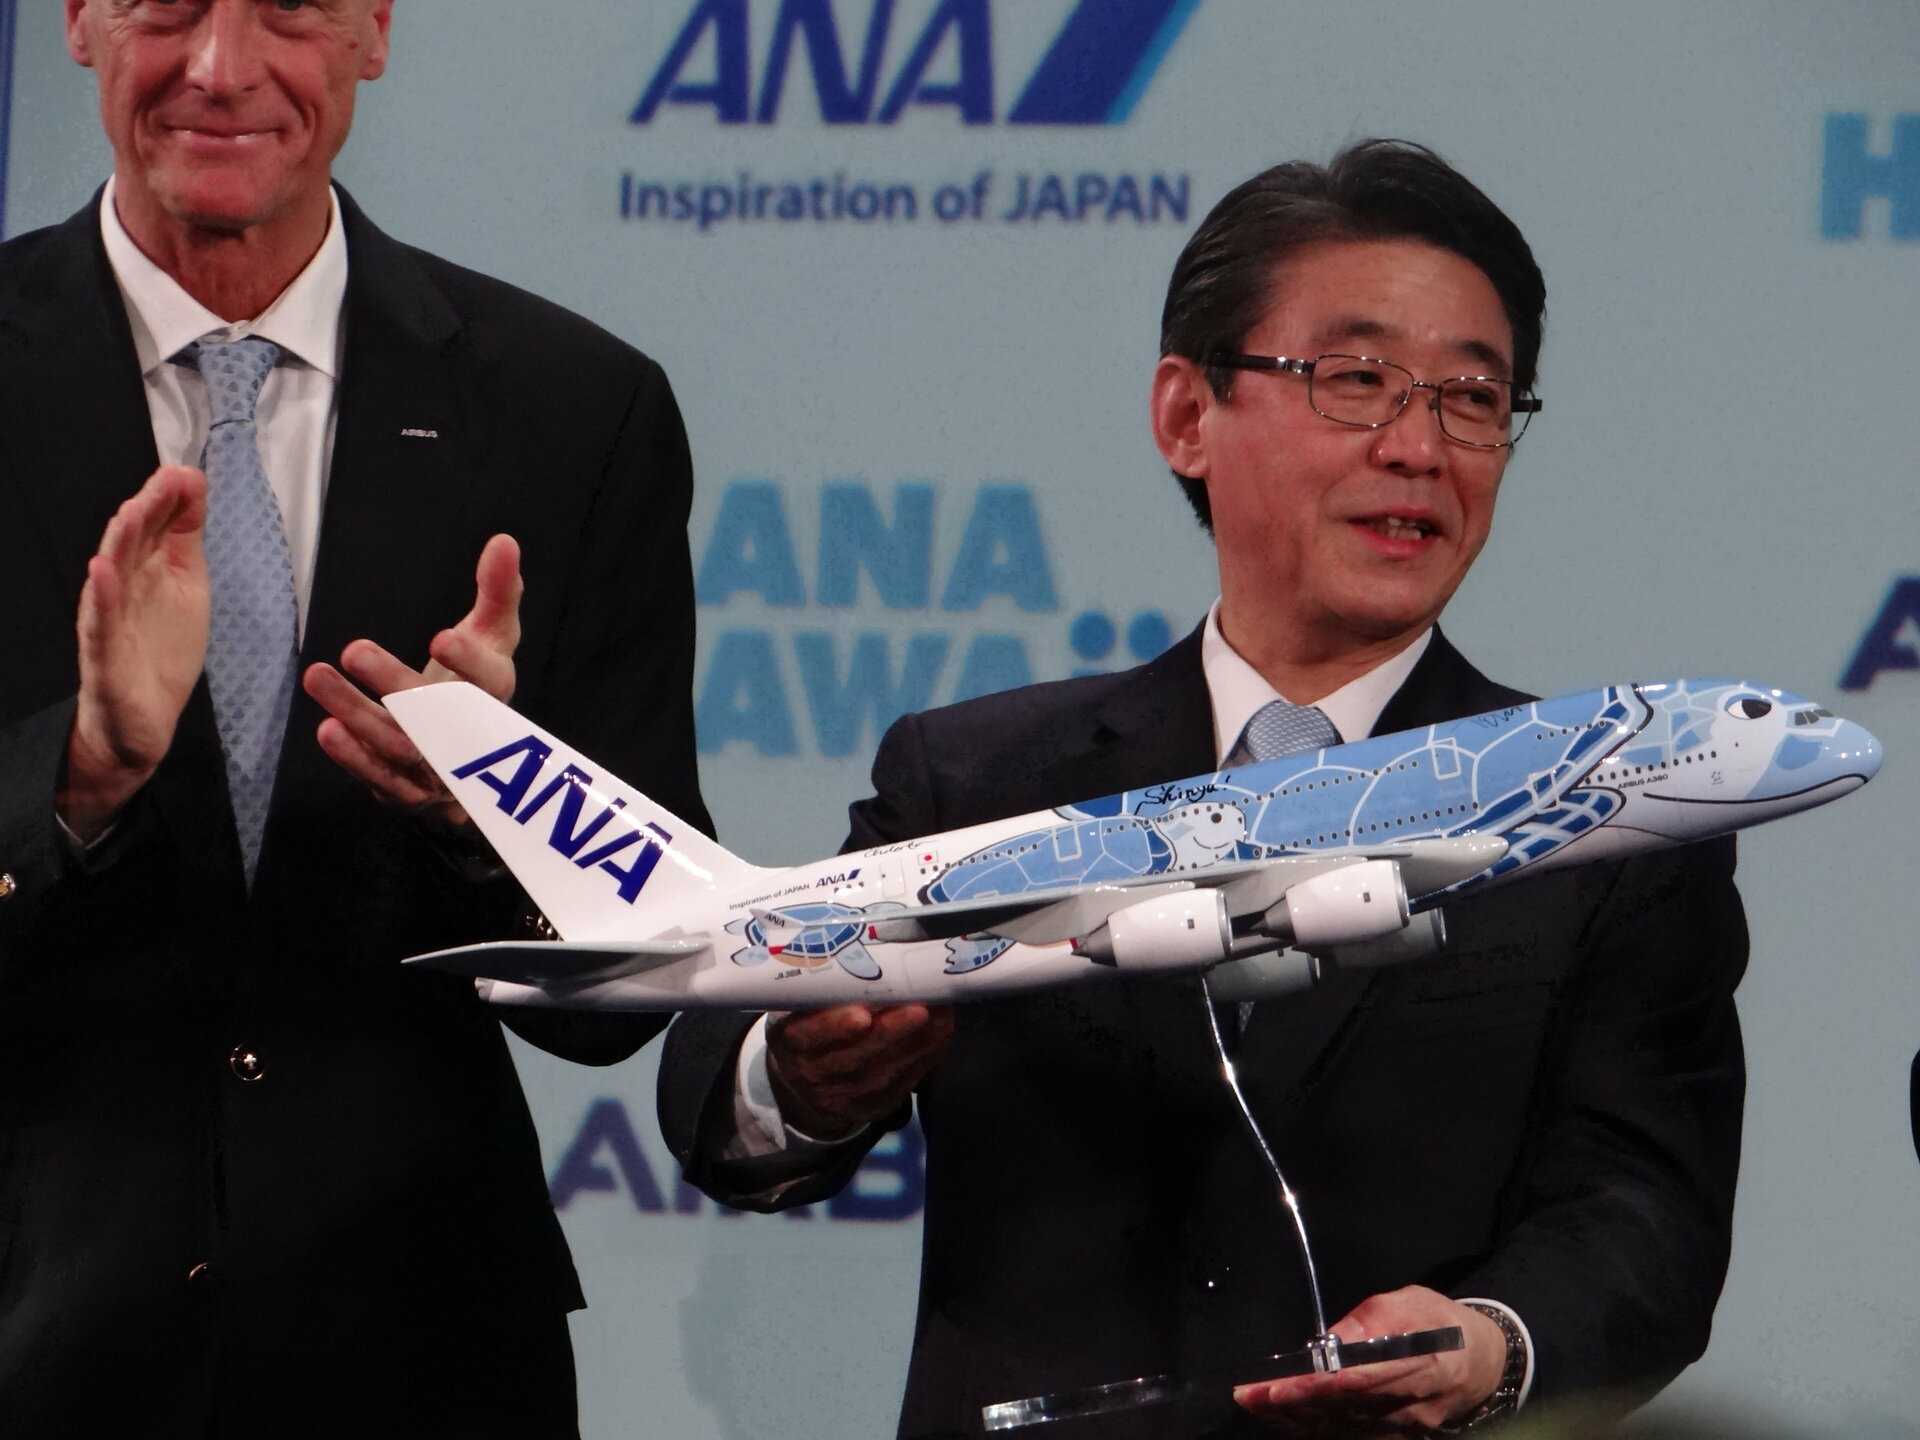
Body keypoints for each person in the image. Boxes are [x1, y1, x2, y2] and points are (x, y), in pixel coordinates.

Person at [658, 140, 1747, 1437]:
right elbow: (721, 1074)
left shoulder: (1600, 813)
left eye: (1473, 398)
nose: (1420, 446)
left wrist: (1492, 1347)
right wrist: (802, 1076)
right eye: (1358, 380)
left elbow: (1646, 1222)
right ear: (1188, 415)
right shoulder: (983, 780)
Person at [0, 3, 706, 1435]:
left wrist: (486, 806)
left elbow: (636, 982)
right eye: (169, 8)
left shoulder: (578, 410)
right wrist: (78, 780)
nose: (221, 69)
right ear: (78, 21)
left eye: (288, 12)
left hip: (417, 1344)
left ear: (373, 30)